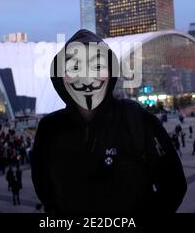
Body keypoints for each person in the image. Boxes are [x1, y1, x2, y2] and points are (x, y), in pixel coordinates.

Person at [31, 29, 186, 214]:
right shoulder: (51, 129)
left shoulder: (135, 119)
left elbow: (173, 183)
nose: (87, 78)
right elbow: (44, 188)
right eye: (74, 68)